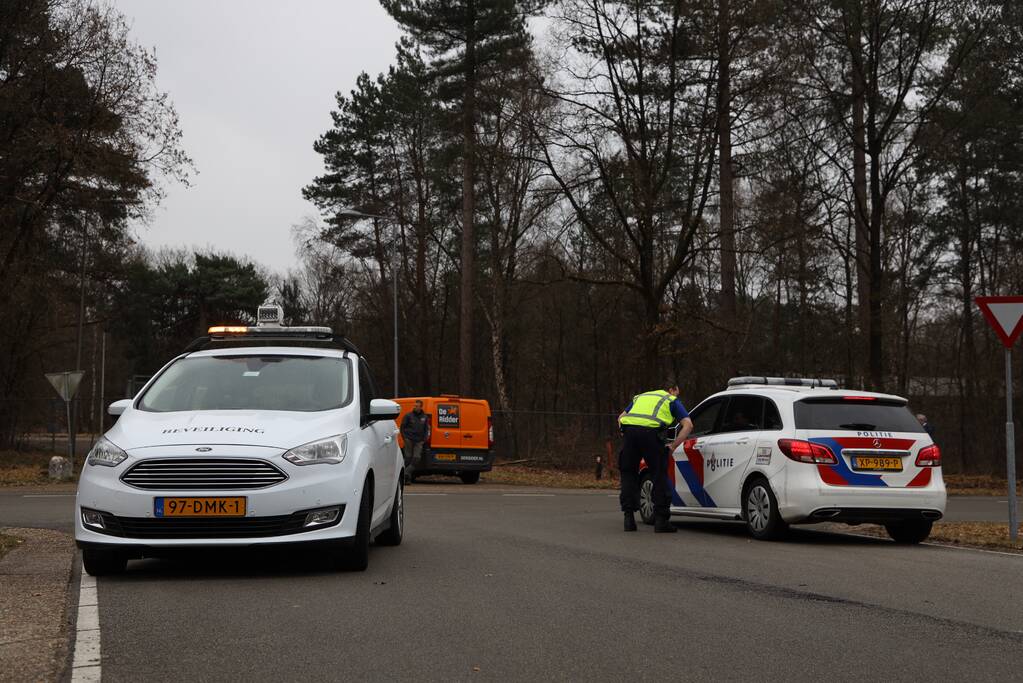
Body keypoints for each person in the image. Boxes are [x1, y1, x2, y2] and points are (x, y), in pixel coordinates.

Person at [618, 382, 694, 533]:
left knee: (628, 474)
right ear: (673, 389)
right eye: (677, 392)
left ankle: (628, 519)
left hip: (630, 433)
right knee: (659, 475)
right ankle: (661, 521)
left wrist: (626, 435)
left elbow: (620, 418)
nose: (677, 395)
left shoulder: (640, 397)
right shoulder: (671, 400)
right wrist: (672, 446)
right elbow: (688, 425)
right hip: (651, 435)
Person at [400, 400, 431, 482]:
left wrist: (424, 440)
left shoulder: (425, 417)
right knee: (408, 458)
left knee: (416, 458)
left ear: (421, 407)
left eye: (417, 406)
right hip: (409, 439)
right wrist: (405, 438)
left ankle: (405, 472)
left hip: (419, 441)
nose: (415, 407)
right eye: (415, 405)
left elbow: (427, 429)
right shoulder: (408, 416)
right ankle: (407, 479)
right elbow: (402, 427)